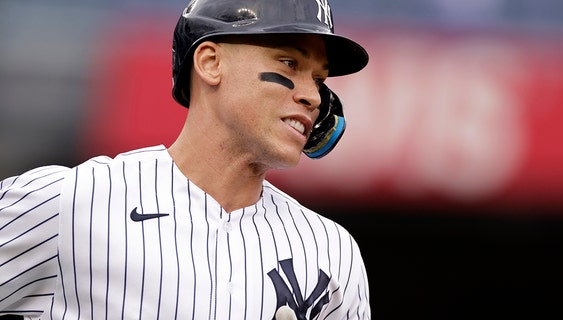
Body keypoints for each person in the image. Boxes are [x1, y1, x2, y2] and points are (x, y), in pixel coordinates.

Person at [0, 0, 370, 319]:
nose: (313, 96)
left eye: (319, 79)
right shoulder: (70, 203)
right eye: (289, 63)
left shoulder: (332, 251)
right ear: (210, 63)